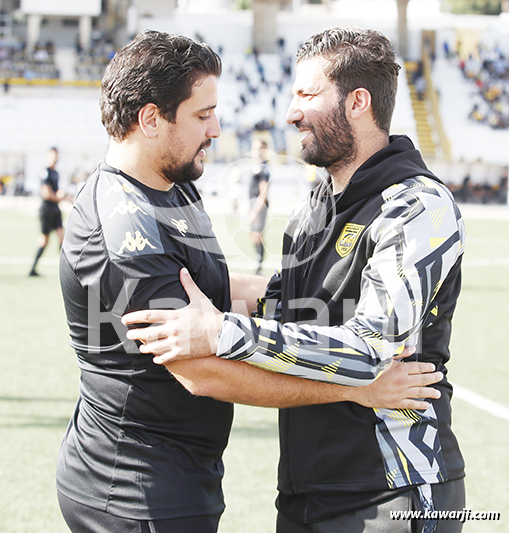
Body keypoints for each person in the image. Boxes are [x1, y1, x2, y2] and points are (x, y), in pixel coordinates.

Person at [57, 29, 443, 533]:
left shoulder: (172, 189)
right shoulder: (124, 223)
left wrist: (323, 310)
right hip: (134, 488)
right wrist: (357, 387)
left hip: (185, 473)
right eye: (202, 115)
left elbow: (217, 291)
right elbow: (201, 371)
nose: (217, 129)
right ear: (151, 119)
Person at [29, 147, 65, 276]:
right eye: (53, 155)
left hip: (55, 208)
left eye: (57, 155)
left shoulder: (56, 173)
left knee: (62, 238)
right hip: (47, 209)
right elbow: (46, 194)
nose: (55, 158)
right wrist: (60, 197)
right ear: (48, 156)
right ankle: (33, 268)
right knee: (44, 239)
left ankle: (66, 270)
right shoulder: (45, 172)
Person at [247, 138, 270, 274]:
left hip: (259, 206)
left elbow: (263, 193)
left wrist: (255, 211)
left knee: (257, 235)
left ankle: (259, 267)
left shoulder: (263, 169)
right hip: (252, 204)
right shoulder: (255, 166)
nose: (256, 151)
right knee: (253, 235)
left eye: (259, 148)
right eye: (254, 148)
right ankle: (258, 264)